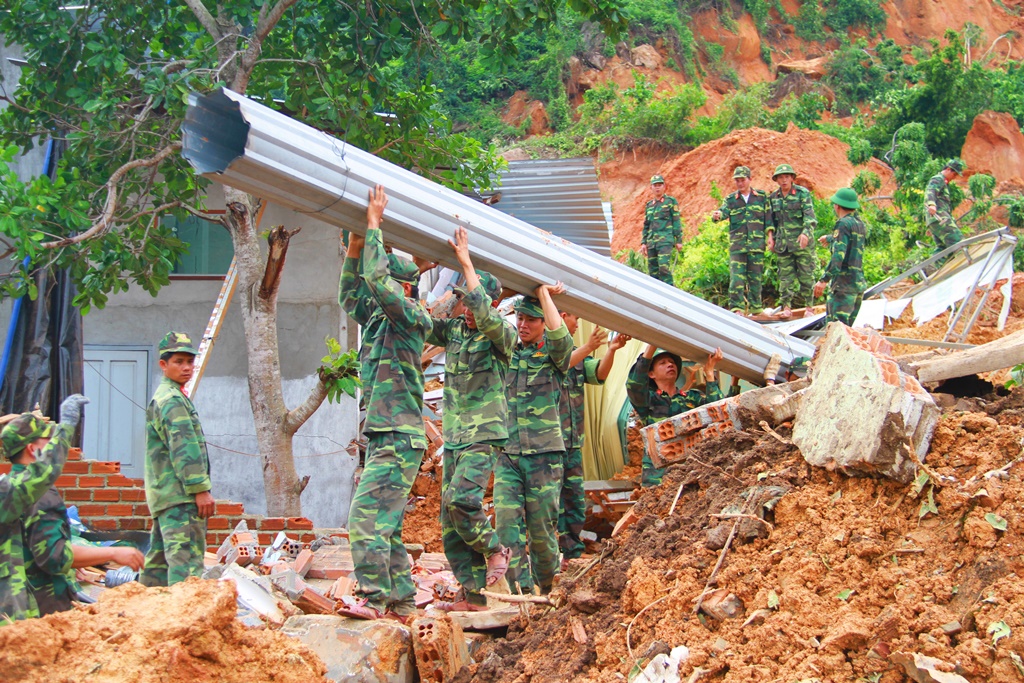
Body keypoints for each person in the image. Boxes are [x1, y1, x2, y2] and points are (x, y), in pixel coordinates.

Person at [339, 185, 432, 620]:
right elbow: (351, 296)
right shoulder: (381, 316)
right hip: (384, 433)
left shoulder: (412, 315)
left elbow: (375, 279)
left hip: (399, 434)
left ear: (405, 287)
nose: (382, 286)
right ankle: (401, 601)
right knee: (386, 523)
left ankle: (374, 598)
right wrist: (355, 247)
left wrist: (374, 222)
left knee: (363, 518)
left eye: (392, 281)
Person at [426, 226, 515, 612]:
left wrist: (466, 261)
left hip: (485, 433)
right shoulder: (457, 332)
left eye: (470, 301)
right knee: (449, 519)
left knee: (463, 500)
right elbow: (421, 320)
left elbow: (483, 308)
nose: (466, 308)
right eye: (461, 301)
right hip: (457, 436)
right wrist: (417, 268)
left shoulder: (501, 333)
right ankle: (474, 597)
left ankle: (497, 550)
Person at [495, 284, 572, 595]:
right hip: (508, 454)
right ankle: (518, 595)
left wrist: (543, 294)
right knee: (505, 528)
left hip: (544, 455)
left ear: (543, 323)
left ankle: (549, 590)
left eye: (532, 319)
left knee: (541, 532)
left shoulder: (554, 356)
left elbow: (561, 338)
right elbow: (489, 321)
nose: (523, 324)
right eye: (520, 318)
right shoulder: (506, 351)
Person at [0, 395, 87, 622]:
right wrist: (66, 426)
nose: (49, 446)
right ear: (32, 449)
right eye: (46, 441)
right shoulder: (15, 493)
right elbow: (44, 470)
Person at [140, 332, 213, 588]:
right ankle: (185, 624)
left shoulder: (167, 396)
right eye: (179, 361)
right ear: (163, 364)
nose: (186, 368)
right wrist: (200, 490)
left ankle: (148, 619)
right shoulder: (171, 400)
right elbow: (184, 447)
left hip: (166, 496)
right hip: (181, 497)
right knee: (187, 570)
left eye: (190, 362)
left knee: (158, 568)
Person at [557, 317, 630, 565]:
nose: (576, 322)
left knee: (574, 499)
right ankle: (546, 554)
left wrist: (610, 350)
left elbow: (598, 373)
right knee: (547, 502)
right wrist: (588, 347)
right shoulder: (541, 351)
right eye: (572, 316)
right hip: (545, 444)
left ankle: (571, 553)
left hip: (572, 442)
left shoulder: (575, 355)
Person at [626, 345, 723, 487]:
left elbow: (717, 411)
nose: (670, 364)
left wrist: (709, 373)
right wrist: (652, 345)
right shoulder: (648, 400)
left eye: (671, 362)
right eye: (663, 363)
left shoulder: (692, 398)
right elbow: (635, 384)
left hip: (690, 471)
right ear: (651, 374)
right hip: (657, 476)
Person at [712, 166, 771, 315]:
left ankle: (756, 308)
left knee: (755, 279)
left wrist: (770, 236)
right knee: (737, 279)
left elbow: (768, 219)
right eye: (737, 181)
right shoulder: (732, 199)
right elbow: (723, 211)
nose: (740, 183)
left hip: (756, 245)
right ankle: (736, 308)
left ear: (749, 179)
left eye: (742, 180)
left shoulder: (761, 197)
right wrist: (717, 215)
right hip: (738, 245)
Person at [768, 163, 817, 318]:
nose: (784, 180)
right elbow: (770, 222)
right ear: (776, 180)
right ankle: (786, 307)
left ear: (792, 178)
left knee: (806, 276)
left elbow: (810, 218)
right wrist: (770, 238)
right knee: (785, 278)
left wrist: (805, 234)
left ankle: (809, 307)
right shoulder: (773, 198)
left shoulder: (802, 194)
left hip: (801, 244)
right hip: (783, 245)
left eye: (787, 177)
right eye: (781, 177)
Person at [814, 188, 867, 325]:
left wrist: (824, 279)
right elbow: (852, 243)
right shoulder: (860, 224)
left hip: (843, 286)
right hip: (857, 285)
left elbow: (839, 256)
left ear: (837, 206)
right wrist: (831, 238)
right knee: (847, 331)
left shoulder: (842, 224)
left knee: (836, 330)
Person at [641, 175, 683, 286]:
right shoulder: (649, 205)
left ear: (664, 186)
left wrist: (678, 240)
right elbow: (646, 225)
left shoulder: (670, 202)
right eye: (655, 185)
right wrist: (644, 243)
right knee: (653, 272)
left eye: (660, 185)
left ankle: (670, 294)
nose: (657, 188)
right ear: (651, 187)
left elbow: (676, 221)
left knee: (664, 268)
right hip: (652, 243)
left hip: (665, 241)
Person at [925, 159, 966, 256]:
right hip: (940, 218)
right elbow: (930, 191)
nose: (954, 177)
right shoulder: (938, 179)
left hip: (935, 221)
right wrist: (932, 204)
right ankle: (969, 266)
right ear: (948, 169)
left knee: (943, 249)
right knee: (959, 243)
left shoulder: (944, 182)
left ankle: (935, 268)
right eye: (954, 174)